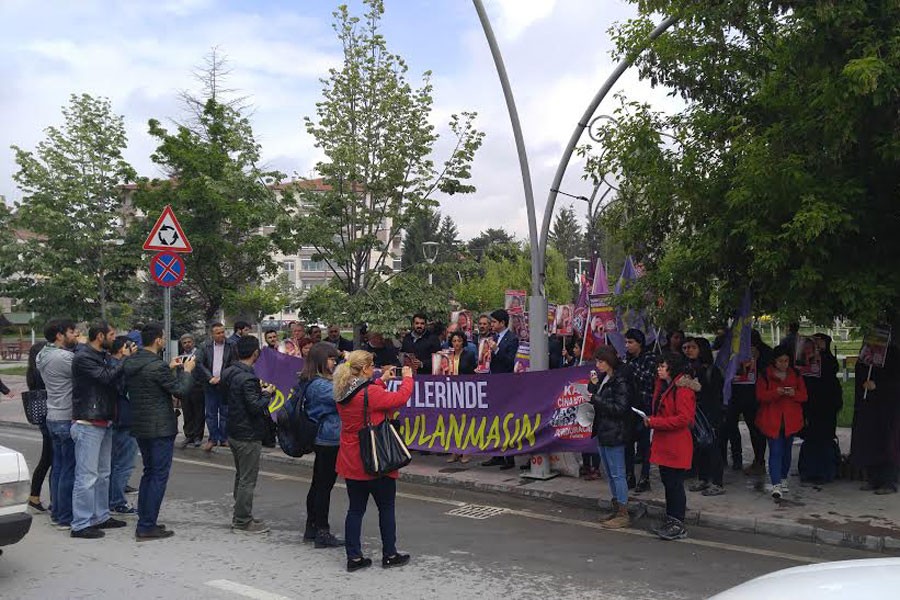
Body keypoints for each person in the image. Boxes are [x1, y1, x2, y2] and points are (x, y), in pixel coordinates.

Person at [334, 351, 414, 572]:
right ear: (367, 368)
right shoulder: (371, 392)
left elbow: (364, 396)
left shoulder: (342, 390)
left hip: (351, 458)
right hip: (376, 456)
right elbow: (399, 399)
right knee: (386, 508)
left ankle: (354, 557)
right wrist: (408, 379)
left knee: (355, 510)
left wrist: (381, 380)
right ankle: (389, 553)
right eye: (372, 366)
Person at [124, 323, 196, 541]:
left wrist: (170, 368)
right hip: (160, 427)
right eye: (163, 338)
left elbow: (151, 381)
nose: (164, 341)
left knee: (149, 473)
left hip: (141, 425)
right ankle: (146, 526)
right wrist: (186, 371)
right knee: (158, 476)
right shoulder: (157, 366)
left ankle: (146, 520)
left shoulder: (131, 361)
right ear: (157, 340)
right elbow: (181, 391)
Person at [70, 321, 128, 539]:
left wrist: (117, 362)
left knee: (103, 474)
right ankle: (80, 523)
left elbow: (114, 382)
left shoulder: (102, 356)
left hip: (104, 419)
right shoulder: (84, 357)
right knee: (86, 476)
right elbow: (106, 377)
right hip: (88, 422)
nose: (115, 338)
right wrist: (122, 359)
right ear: (100, 336)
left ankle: (101, 516)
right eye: (112, 334)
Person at [221, 335, 274, 534]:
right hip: (248, 433)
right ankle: (243, 520)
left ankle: (240, 514)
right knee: (247, 479)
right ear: (255, 353)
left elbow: (229, 399)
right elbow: (255, 407)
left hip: (234, 429)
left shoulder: (229, 372)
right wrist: (267, 393)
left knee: (241, 475)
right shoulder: (249, 377)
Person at [294, 342, 344, 547]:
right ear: (322, 361)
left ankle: (312, 527)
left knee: (318, 484)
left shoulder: (315, 381)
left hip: (325, 437)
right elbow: (343, 396)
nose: (335, 363)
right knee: (323, 486)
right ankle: (322, 530)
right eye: (332, 359)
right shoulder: (320, 386)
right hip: (328, 439)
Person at [644, 352, 696, 541]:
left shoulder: (682, 389)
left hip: (676, 443)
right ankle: (671, 519)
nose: (659, 369)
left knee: (675, 484)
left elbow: (684, 419)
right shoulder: (665, 386)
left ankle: (678, 523)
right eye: (658, 366)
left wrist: (655, 422)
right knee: (668, 483)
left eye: (663, 366)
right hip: (665, 441)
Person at [37, 318, 79, 530]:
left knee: (59, 468)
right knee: (68, 469)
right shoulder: (63, 357)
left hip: (53, 415)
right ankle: (64, 516)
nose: (76, 334)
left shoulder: (42, 354)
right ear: (60, 335)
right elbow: (84, 374)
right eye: (72, 331)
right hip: (65, 416)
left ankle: (56, 510)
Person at [588, 346, 632, 528]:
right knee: (610, 473)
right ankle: (616, 506)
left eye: (600, 361)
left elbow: (620, 408)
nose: (598, 365)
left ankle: (623, 511)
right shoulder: (607, 378)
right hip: (604, 430)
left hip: (615, 431)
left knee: (617, 473)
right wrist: (594, 387)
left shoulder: (620, 380)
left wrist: (596, 399)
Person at [756, 346, 808, 500]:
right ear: (774, 361)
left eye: (786, 361)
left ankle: (783, 478)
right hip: (772, 420)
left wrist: (794, 393)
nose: (783, 364)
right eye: (780, 361)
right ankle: (776, 483)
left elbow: (804, 396)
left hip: (790, 420)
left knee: (787, 452)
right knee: (775, 451)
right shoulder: (765, 375)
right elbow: (760, 396)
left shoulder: (796, 375)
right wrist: (775, 393)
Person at [851, 341, 900, 494]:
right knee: (870, 441)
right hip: (869, 406)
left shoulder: (892, 354)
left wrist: (878, 385)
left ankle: (888, 481)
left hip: (888, 408)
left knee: (886, 443)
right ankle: (873, 478)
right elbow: (860, 371)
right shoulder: (867, 352)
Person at [724, 329, 771, 475]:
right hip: (735, 393)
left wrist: (757, 359)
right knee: (730, 425)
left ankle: (759, 461)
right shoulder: (733, 349)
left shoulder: (764, 352)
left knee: (756, 430)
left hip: (753, 396)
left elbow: (768, 371)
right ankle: (736, 458)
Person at [683, 337, 726, 496]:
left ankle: (717, 482)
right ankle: (703, 478)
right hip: (695, 413)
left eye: (693, 347)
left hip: (709, 414)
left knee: (713, 448)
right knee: (700, 447)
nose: (689, 350)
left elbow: (715, 395)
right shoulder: (690, 368)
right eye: (687, 347)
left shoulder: (711, 370)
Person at [798, 333, 842, 484]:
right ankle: (809, 471)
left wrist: (821, 352)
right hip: (809, 405)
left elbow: (831, 370)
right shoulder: (805, 358)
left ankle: (826, 472)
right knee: (810, 438)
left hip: (827, 406)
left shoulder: (828, 360)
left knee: (825, 439)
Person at [481, 309, 519, 470]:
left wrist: (496, 349)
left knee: (506, 420)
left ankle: (509, 457)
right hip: (492, 382)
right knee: (494, 420)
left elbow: (511, 362)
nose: (492, 325)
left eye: (494, 322)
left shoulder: (512, 339)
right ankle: (496, 453)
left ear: (502, 323)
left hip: (506, 383)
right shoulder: (492, 338)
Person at [108, 336, 139, 518]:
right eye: (132, 346)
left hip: (116, 418)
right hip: (123, 419)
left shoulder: (109, 364)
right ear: (122, 349)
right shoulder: (118, 366)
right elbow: (123, 388)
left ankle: (112, 498)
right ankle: (117, 501)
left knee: (114, 463)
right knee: (123, 464)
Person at [195, 322, 237, 451]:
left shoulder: (232, 345)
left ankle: (224, 438)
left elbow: (234, 363)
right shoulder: (204, 346)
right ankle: (213, 438)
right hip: (210, 384)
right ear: (212, 334)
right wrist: (210, 378)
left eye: (223, 332)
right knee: (211, 413)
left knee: (225, 412)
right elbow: (199, 363)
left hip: (225, 384)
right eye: (218, 333)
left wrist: (222, 377)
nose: (221, 335)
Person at [622, 329, 656, 492]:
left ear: (639, 343)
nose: (627, 346)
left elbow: (647, 378)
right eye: (626, 342)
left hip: (644, 406)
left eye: (631, 342)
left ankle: (645, 477)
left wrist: (629, 369)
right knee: (627, 443)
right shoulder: (627, 360)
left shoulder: (649, 358)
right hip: (629, 406)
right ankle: (629, 476)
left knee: (644, 445)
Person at [25, 340, 51, 513]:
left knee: (47, 457)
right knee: (49, 457)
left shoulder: (31, 373)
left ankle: (34, 496)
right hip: (51, 415)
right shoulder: (43, 372)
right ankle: (34, 496)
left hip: (42, 416)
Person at [445, 332, 477, 464]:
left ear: (463, 342)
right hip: (450, 392)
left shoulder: (468, 355)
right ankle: (455, 451)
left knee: (465, 422)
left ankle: (467, 451)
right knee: (453, 422)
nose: (456, 343)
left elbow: (472, 371)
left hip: (464, 391)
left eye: (458, 341)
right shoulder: (447, 356)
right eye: (454, 341)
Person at [178, 333, 205, 448]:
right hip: (185, 389)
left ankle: (198, 436)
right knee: (187, 412)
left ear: (193, 342)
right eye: (184, 343)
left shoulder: (198, 354)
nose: (187, 344)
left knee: (198, 413)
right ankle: (189, 435)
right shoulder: (180, 357)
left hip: (197, 387)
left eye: (189, 342)